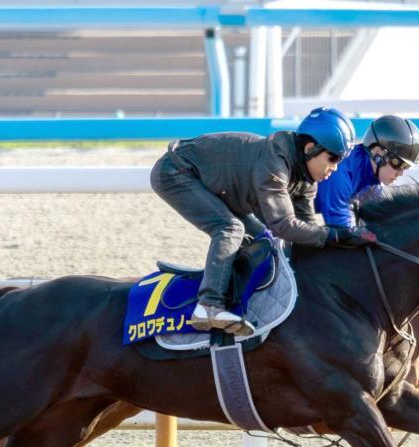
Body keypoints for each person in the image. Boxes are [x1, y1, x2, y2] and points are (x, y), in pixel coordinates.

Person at [150, 107, 376, 336]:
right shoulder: (274, 163)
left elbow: (307, 233)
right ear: (310, 148)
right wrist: (335, 234)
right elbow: (284, 225)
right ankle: (208, 305)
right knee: (230, 229)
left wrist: (338, 245)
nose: (335, 168)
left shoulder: (307, 179)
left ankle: (232, 299)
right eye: (333, 159)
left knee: (262, 240)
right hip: (176, 172)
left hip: (215, 183)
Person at [314, 114, 419, 228]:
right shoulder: (341, 170)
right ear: (377, 153)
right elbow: (340, 226)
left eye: (405, 167)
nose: (400, 173)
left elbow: (380, 221)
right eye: (397, 163)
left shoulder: (373, 176)